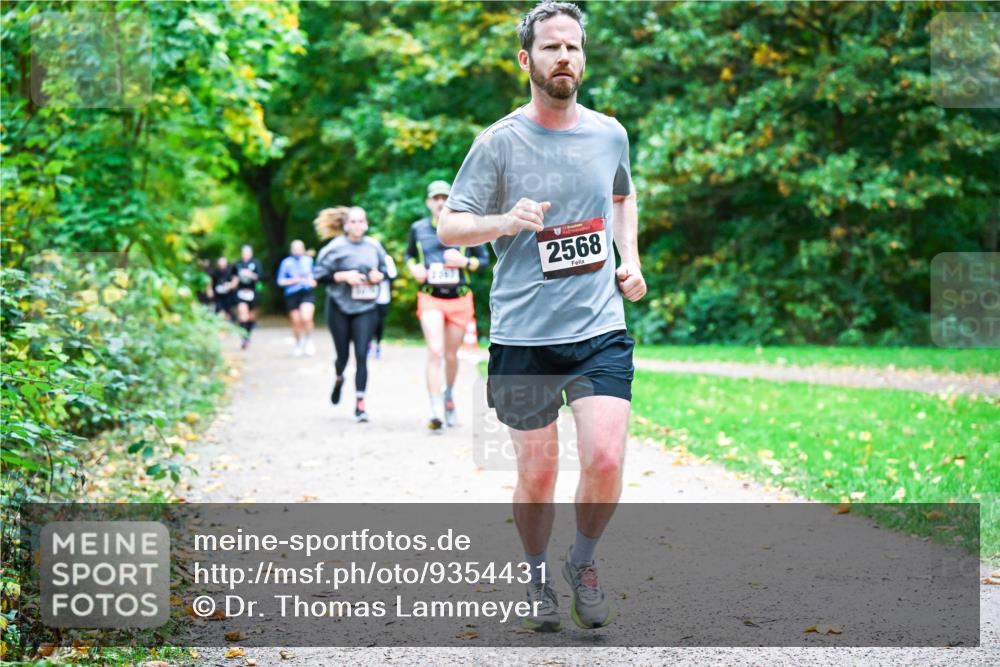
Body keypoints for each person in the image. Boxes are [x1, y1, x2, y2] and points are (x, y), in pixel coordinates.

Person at [437, 1, 646, 632]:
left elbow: (622, 193)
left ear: (584, 57)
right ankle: (534, 576)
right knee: (538, 472)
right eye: (552, 47)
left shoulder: (609, 132)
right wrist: (504, 221)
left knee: (606, 458)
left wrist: (629, 257)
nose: (565, 57)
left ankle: (581, 564)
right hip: (523, 334)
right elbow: (450, 226)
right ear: (527, 59)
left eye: (574, 47)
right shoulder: (498, 141)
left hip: (599, 328)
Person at [405, 180, 490, 431]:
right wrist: (413, 268)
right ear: (428, 202)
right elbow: (409, 255)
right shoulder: (418, 228)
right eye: (436, 198)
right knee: (435, 351)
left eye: (445, 197)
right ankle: (434, 410)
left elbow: (483, 263)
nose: (441, 202)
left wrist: (464, 262)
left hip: (460, 297)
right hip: (430, 296)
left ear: (452, 200)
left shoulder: (467, 225)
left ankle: (448, 396)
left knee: (451, 356)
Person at [313, 206, 387, 423]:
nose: (357, 225)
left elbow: (386, 271)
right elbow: (318, 275)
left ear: (366, 224)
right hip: (339, 306)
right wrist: (342, 276)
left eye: (361, 221)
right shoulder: (333, 248)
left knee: (362, 355)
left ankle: (360, 405)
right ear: (345, 225)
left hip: (365, 308)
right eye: (353, 221)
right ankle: (338, 378)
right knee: (343, 356)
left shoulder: (374, 246)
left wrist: (378, 276)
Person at [277, 240, 317, 356]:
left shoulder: (309, 261)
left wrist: (313, 281)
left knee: (306, 318)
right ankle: (298, 344)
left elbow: (314, 275)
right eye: (295, 248)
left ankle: (309, 340)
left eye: (300, 248)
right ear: (292, 250)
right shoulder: (286, 263)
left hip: (306, 292)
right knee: (296, 321)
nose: (298, 250)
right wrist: (292, 281)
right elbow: (280, 281)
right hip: (292, 294)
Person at [231, 245, 262, 349]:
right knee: (242, 314)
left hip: (252, 292)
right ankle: (244, 338)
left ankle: (248, 335)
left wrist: (250, 275)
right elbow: (234, 278)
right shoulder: (237, 264)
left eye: (247, 252)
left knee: (250, 317)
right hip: (241, 292)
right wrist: (230, 286)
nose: (245, 254)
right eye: (244, 252)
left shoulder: (256, 263)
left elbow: (261, 277)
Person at [369, 247, 397, 359]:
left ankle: (378, 345)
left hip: (382, 297)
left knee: (379, 323)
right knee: (367, 322)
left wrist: (380, 276)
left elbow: (393, 276)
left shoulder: (387, 258)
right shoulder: (364, 256)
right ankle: (368, 345)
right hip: (366, 297)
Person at [209, 256, 235, 321]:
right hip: (218, 296)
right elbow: (210, 282)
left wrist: (230, 285)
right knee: (220, 313)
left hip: (228, 296)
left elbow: (235, 281)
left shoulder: (230, 271)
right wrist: (209, 290)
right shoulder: (215, 272)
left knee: (228, 313)